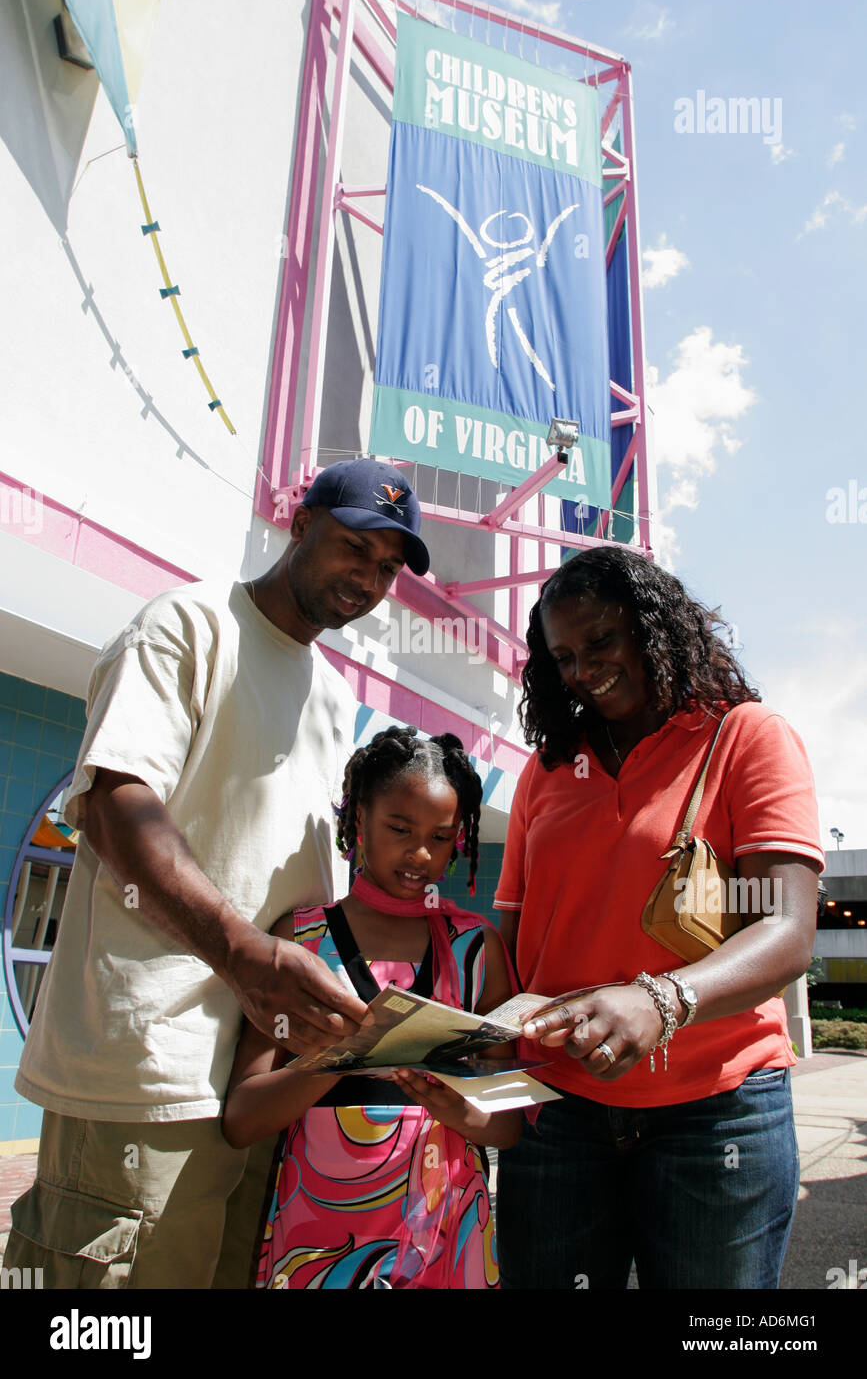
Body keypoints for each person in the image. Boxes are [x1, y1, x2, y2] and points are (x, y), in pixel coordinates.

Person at [4, 460, 431, 1289]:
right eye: (353, 548)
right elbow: (115, 804)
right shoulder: (187, 626)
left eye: (386, 568)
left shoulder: (332, 694)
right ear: (299, 523)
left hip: (261, 1079)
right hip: (148, 1069)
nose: (369, 580)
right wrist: (241, 954)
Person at [492, 546, 823, 1290]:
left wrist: (660, 999)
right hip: (558, 1110)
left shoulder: (745, 736)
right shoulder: (545, 771)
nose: (582, 670)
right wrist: (479, 1042)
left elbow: (787, 929)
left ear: (655, 627)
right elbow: (510, 940)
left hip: (718, 1115)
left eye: (601, 641)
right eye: (564, 655)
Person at [223, 727, 521, 1289]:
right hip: (320, 1238)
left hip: (447, 1232)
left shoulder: (477, 948)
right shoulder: (301, 940)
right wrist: (342, 1056)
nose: (420, 854)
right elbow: (242, 1120)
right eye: (400, 829)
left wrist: (456, 1110)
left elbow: (505, 1125)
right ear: (359, 817)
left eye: (441, 837)